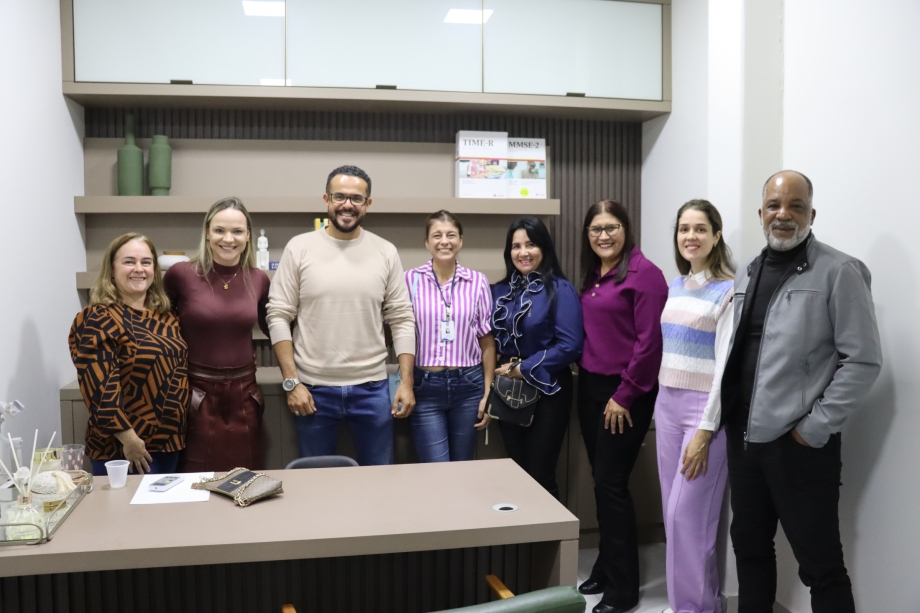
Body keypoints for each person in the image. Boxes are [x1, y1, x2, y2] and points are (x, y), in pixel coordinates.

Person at [721, 171, 882, 613]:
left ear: (812, 213)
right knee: (750, 549)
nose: (783, 215)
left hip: (799, 447)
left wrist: (813, 428)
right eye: (774, 205)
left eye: (795, 205)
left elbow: (864, 360)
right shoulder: (749, 271)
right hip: (745, 441)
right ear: (760, 214)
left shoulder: (840, 271)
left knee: (821, 565)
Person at [267, 165, 416, 466]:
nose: (347, 204)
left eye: (356, 198)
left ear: (368, 204)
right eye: (340, 196)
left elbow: (401, 318)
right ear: (326, 199)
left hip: (373, 391)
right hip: (312, 391)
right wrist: (291, 383)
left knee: (379, 481)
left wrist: (406, 382)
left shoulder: (385, 252)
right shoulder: (300, 248)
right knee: (317, 484)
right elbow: (278, 315)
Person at [576, 200, 668, 613]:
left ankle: (623, 590)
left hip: (626, 393)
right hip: (591, 388)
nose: (604, 235)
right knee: (602, 481)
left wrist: (624, 394)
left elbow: (650, 344)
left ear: (627, 229)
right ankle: (607, 565)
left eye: (611, 227)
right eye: (596, 229)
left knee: (611, 486)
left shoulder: (645, 275)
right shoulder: (595, 274)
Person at [655, 200, 735, 613]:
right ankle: (683, 603)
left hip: (704, 415)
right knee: (673, 518)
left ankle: (700, 607)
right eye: (684, 229)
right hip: (666, 408)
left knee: (691, 518)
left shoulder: (728, 292)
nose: (691, 237)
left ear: (716, 236)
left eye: (700, 229)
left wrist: (706, 429)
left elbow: (724, 369)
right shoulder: (674, 285)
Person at [164, 197, 270, 472]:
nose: (228, 239)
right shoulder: (181, 274)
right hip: (195, 396)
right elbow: (159, 330)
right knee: (195, 480)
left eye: (237, 231)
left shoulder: (258, 279)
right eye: (220, 230)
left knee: (246, 479)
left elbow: (276, 327)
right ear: (207, 232)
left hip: (245, 395)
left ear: (248, 236)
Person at [69, 233, 188, 476]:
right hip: (125, 450)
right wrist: (129, 439)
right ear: (111, 270)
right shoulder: (97, 317)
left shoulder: (166, 316)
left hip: (171, 444)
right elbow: (99, 388)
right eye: (129, 262)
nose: (139, 269)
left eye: (146, 262)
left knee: (168, 514)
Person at [491, 216, 583, 499]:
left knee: (540, 474)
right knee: (517, 472)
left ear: (544, 248)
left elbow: (571, 346)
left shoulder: (559, 289)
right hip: (507, 390)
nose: (523, 252)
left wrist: (524, 367)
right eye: (516, 246)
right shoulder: (499, 291)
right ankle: (525, 542)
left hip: (549, 391)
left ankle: (551, 543)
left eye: (530, 244)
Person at [405, 210, 495, 462]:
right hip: (425, 386)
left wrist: (488, 394)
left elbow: (486, 341)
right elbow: (399, 334)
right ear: (426, 242)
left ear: (461, 240)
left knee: (463, 467)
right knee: (436, 467)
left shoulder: (477, 282)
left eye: (451, 235)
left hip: (468, 385)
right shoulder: (410, 280)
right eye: (437, 235)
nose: (444, 241)